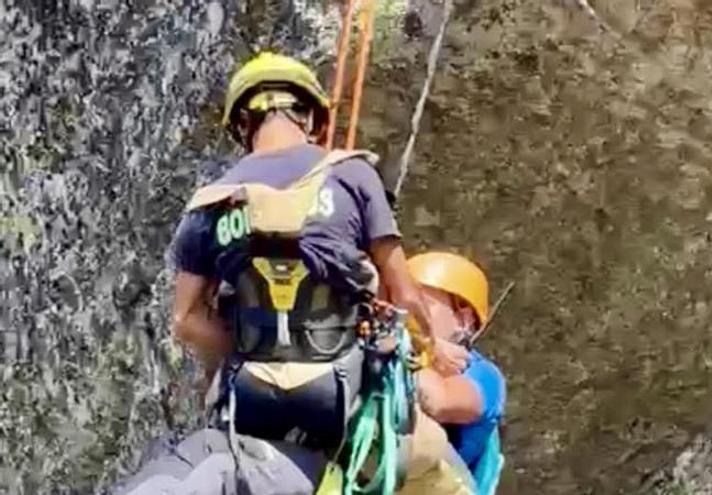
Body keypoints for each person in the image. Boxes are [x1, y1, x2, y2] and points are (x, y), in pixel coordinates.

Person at [115, 50, 463, 495]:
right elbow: (404, 293)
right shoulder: (352, 173)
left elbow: (185, 322)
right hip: (340, 388)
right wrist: (432, 349)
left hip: (252, 396)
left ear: (243, 124)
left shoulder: (209, 203)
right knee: (427, 463)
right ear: (310, 117)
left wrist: (247, 351)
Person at [405, 251, 507, 490]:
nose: (408, 314)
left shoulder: (483, 375)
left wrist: (416, 345)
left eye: (420, 304)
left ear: (464, 320)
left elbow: (438, 401)